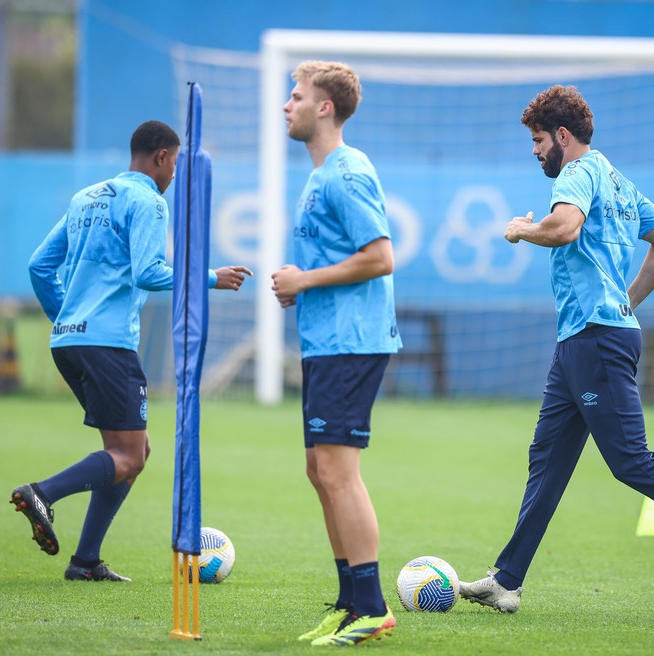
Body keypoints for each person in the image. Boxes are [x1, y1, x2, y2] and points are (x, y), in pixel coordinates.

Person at [458, 85, 654, 615]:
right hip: (585, 337)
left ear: (562, 136)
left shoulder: (577, 174)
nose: (535, 151)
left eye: (538, 140)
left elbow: (563, 228)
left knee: (630, 461)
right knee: (547, 460)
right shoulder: (616, 180)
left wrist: (522, 230)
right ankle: (506, 582)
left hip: (596, 340)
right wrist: (627, 301)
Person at [14, 119, 251, 582]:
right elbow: (149, 272)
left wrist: (68, 318)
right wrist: (210, 278)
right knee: (129, 456)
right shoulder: (148, 201)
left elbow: (39, 265)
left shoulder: (86, 197)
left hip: (70, 341)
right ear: (162, 156)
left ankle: (85, 562)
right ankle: (42, 493)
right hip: (108, 344)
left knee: (134, 451)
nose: (173, 174)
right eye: (175, 164)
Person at [271, 60, 402, 646]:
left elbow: (380, 257)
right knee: (318, 469)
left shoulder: (347, 172)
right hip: (327, 341)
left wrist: (304, 280)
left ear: (325, 107)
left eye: (297, 97)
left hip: (352, 341)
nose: (287, 105)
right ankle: (351, 602)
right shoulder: (321, 174)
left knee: (337, 472)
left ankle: (372, 608)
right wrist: (302, 285)